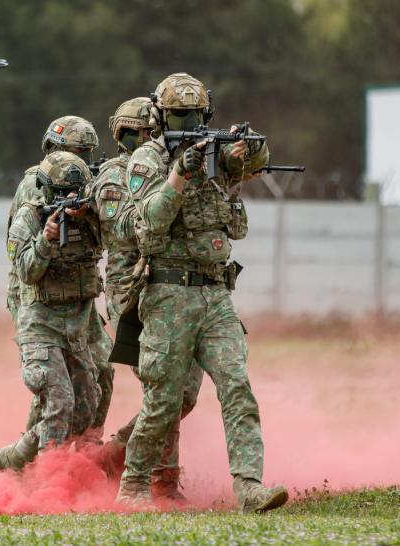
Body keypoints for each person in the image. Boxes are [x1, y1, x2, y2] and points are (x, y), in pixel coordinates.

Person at [115, 73, 287, 513]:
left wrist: (246, 146)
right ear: (161, 115)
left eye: (194, 115)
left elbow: (255, 162)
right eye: (178, 116)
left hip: (216, 294)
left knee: (237, 386)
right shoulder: (147, 161)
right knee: (163, 401)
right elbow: (148, 223)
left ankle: (249, 486)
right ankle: (133, 483)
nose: (187, 122)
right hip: (168, 295)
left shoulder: (214, 154)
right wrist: (180, 174)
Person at [89, 97, 204, 503]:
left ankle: (118, 452)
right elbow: (126, 228)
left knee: (182, 392)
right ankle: (161, 482)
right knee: (165, 388)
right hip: (131, 292)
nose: (151, 139)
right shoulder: (114, 177)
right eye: (144, 133)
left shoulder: (162, 168)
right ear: (126, 134)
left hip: (168, 287)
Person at [0, 150, 105, 470]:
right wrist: (46, 240)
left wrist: (88, 217)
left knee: (86, 406)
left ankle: (17, 454)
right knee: (60, 403)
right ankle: (47, 477)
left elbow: (114, 239)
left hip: (76, 326)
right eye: (60, 194)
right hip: (40, 324)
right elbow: (26, 271)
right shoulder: (29, 218)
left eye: (74, 193)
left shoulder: (90, 217)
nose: (67, 200)